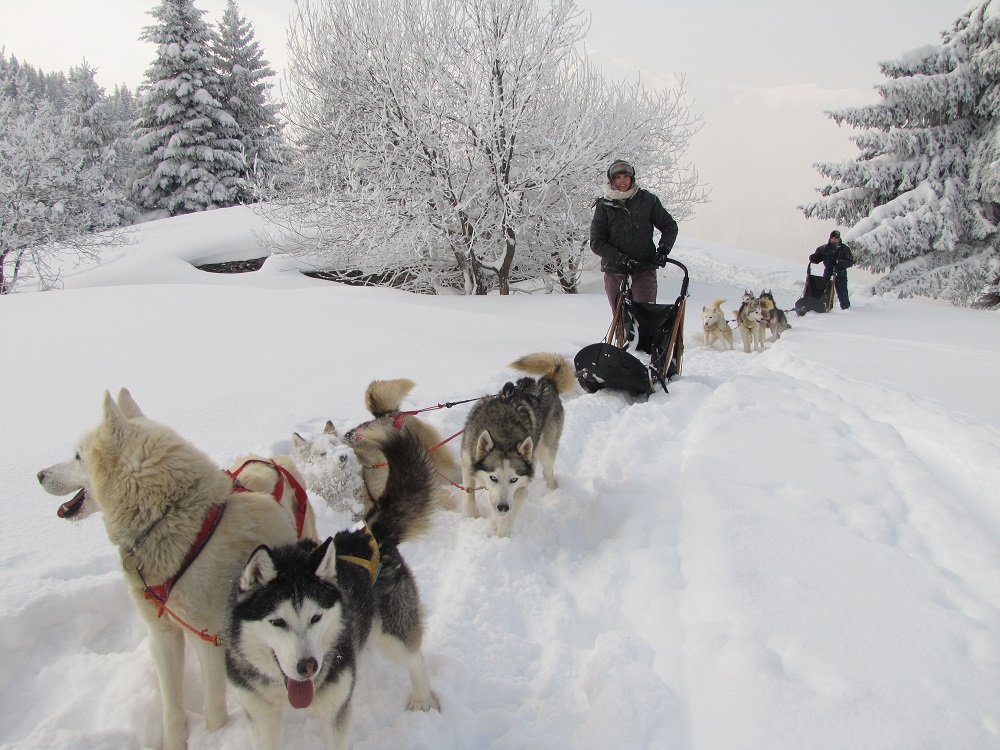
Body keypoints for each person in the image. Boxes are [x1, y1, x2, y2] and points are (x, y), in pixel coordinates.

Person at [590, 160, 678, 311]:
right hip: (615, 270)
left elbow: (670, 226)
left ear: (632, 178)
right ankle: (622, 336)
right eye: (617, 177)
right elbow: (596, 242)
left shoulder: (647, 200)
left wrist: (663, 250)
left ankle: (644, 335)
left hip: (644, 267)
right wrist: (620, 258)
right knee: (621, 320)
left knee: (644, 316)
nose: (622, 180)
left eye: (626, 176)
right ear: (612, 180)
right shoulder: (604, 206)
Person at [809, 229, 854, 310]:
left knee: (842, 293)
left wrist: (841, 264)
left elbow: (850, 261)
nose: (834, 240)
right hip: (828, 272)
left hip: (840, 274)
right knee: (825, 292)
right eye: (832, 238)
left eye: (836, 238)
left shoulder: (845, 249)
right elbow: (818, 257)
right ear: (830, 239)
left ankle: (846, 309)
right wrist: (814, 258)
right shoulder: (824, 249)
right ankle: (824, 308)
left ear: (839, 239)